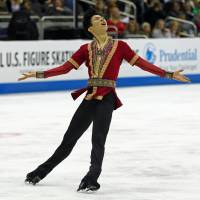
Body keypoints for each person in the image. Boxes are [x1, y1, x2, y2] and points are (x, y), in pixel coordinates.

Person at [18, 10, 191, 192]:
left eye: (103, 18)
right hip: (90, 96)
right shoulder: (85, 49)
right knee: (68, 141)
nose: (103, 20)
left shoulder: (120, 46)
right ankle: (40, 172)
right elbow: (64, 68)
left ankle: (92, 178)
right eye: (97, 20)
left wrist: (168, 74)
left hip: (107, 97)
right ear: (91, 28)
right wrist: (38, 74)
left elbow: (142, 63)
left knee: (98, 140)